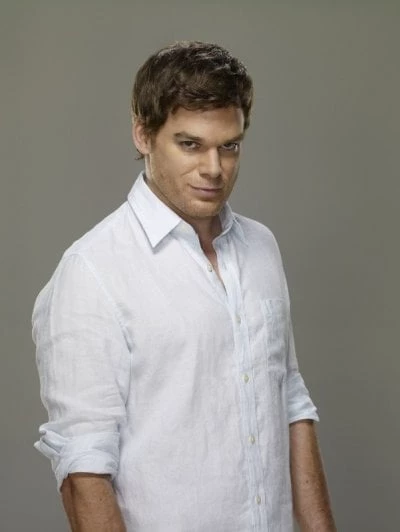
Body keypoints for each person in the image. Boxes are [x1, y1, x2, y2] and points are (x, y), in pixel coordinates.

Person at [33, 41, 336, 532]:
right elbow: (83, 466)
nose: (214, 168)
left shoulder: (261, 247)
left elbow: (290, 399)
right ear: (143, 135)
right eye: (190, 144)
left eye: (229, 146)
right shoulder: (92, 271)